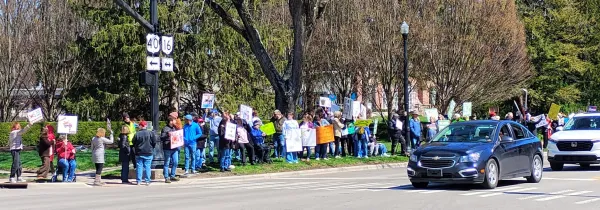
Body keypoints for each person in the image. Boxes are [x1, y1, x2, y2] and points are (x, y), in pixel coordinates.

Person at [132, 121, 156, 186]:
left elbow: (133, 142)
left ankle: (139, 181)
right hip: (148, 152)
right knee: (147, 167)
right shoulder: (151, 133)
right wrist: (151, 148)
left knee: (139, 167)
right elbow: (154, 142)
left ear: (140, 126)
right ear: (145, 126)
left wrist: (137, 147)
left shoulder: (137, 134)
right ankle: (147, 181)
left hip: (139, 152)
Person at [161, 116, 180, 183]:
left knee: (175, 162)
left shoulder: (174, 128)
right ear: (170, 121)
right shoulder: (165, 128)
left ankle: (172, 175)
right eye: (174, 120)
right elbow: (162, 137)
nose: (175, 121)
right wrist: (167, 135)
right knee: (167, 162)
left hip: (174, 147)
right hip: (167, 147)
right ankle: (166, 177)